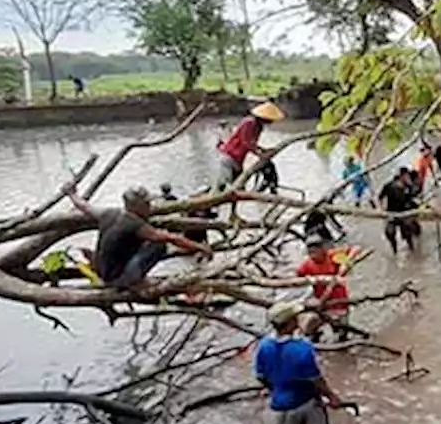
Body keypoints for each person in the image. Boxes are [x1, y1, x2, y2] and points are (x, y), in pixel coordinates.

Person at [66, 185, 212, 290]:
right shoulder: (134, 224)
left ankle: (126, 275)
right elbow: (171, 238)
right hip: (117, 280)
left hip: (103, 273)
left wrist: (72, 194)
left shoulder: (108, 213)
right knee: (159, 245)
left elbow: (85, 206)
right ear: (135, 206)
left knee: (144, 242)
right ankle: (136, 281)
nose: (150, 206)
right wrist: (201, 247)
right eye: (146, 204)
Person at [254, 301, 348, 424]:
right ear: (290, 322)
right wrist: (332, 397)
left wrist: (275, 389)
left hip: (281, 406)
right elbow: (316, 380)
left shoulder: (264, 346)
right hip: (307, 402)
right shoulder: (302, 348)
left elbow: (261, 376)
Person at [216, 101, 285, 188]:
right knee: (227, 185)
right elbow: (246, 142)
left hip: (239, 159)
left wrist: (263, 150)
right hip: (230, 156)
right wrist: (260, 154)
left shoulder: (259, 127)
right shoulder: (249, 123)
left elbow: (252, 144)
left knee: (239, 186)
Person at [296, 234, 351, 337]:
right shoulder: (307, 265)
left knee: (342, 331)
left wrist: (346, 264)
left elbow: (355, 249)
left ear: (323, 249)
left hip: (339, 301)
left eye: (315, 250)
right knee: (310, 328)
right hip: (322, 302)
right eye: (310, 251)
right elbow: (297, 277)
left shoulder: (333, 256)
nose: (312, 254)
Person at [379, 167, 420, 254]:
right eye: (406, 176)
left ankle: (412, 250)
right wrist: (382, 209)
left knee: (408, 234)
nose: (408, 178)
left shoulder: (409, 186)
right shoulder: (389, 185)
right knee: (390, 233)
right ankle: (395, 251)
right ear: (402, 176)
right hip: (392, 213)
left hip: (404, 213)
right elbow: (381, 197)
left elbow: (413, 197)